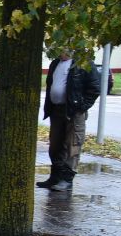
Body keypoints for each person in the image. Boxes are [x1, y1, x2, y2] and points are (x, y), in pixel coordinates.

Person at [38, 46, 98, 191]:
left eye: (63, 47)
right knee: (55, 145)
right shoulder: (55, 64)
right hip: (56, 110)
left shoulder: (82, 63)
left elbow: (95, 87)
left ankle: (67, 179)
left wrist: (81, 106)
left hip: (74, 111)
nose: (60, 51)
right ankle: (55, 176)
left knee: (73, 144)